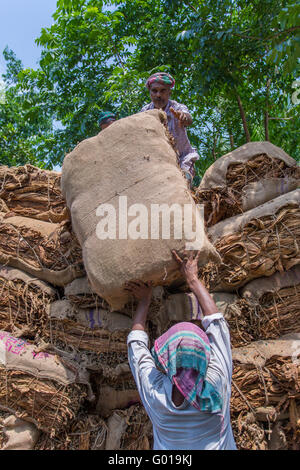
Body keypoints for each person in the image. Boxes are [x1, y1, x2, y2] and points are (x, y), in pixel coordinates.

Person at [125, 250, 237, 450]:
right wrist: (192, 279)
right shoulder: (216, 386)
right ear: (204, 358)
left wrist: (144, 301)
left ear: (166, 359)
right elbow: (217, 325)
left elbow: (137, 346)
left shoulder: (156, 396)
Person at [140, 72, 200, 184]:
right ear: (150, 93)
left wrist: (183, 117)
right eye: (154, 91)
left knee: (184, 182)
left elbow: (189, 119)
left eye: (163, 91)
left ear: (169, 93)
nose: (158, 95)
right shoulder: (145, 112)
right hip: (158, 161)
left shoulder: (177, 107)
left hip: (183, 158)